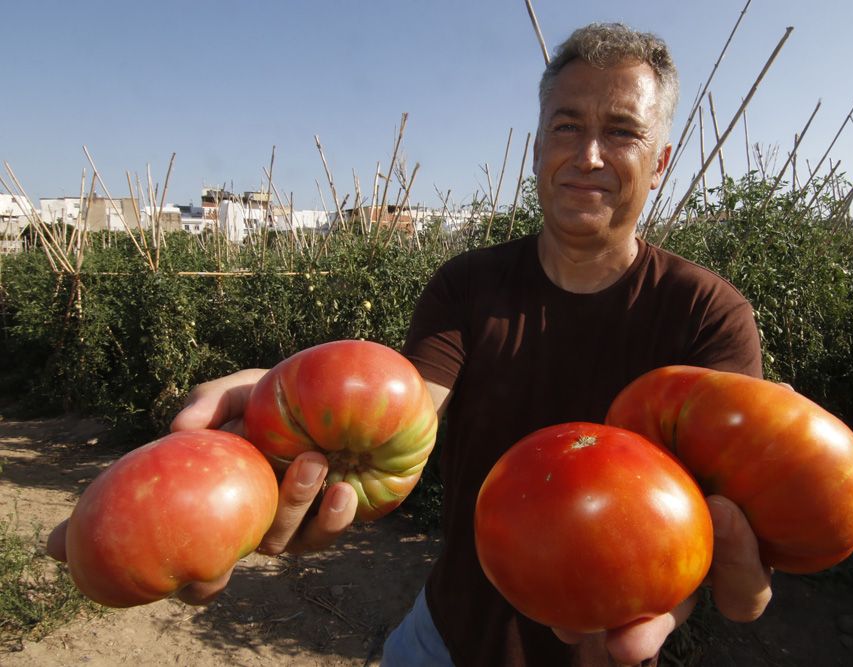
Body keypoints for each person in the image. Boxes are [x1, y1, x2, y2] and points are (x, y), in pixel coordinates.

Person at [48, 22, 773, 666]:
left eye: (621, 131)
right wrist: (280, 407)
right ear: (535, 146)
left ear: (663, 159)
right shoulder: (469, 286)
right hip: (443, 636)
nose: (587, 153)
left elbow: (740, 581)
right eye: (565, 125)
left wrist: (707, 581)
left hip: (609, 647)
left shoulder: (707, 316)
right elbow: (402, 407)